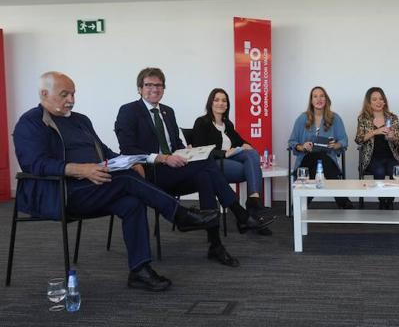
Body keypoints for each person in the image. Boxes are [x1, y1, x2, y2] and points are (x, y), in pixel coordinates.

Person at [13, 72, 220, 292]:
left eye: (73, 94)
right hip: (62, 192)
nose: (71, 100)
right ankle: (181, 216)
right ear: (44, 93)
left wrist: (128, 161)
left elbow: (104, 151)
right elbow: (35, 164)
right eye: (65, 95)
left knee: (131, 201)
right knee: (126, 180)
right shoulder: (31, 123)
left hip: (95, 186)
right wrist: (78, 169)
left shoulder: (80, 120)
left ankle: (139, 270)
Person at [115, 68, 275, 268]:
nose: (154, 89)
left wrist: (186, 152)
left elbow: (175, 145)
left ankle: (215, 244)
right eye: (149, 85)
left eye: (158, 85)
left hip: (174, 170)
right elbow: (128, 149)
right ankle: (240, 215)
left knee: (205, 174)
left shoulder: (167, 111)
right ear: (139, 88)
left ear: (164, 89)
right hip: (149, 172)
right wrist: (162, 158)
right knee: (208, 166)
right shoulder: (128, 111)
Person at [192, 88, 272, 235]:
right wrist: (224, 153)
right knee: (251, 170)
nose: (220, 103)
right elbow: (199, 149)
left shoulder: (227, 124)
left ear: (227, 105)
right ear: (210, 103)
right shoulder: (202, 122)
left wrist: (246, 144)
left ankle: (253, 202)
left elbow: (239, 141)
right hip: (214, 163)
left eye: (224, 100)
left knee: (252, 153)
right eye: (217, 100)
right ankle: (252, 213)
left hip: (231, 160)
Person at [288, 86, 352, 208]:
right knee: (318, 156)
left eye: (322, 96)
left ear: (326, 99)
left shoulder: (335, 118)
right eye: (315, 96)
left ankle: (299, 204)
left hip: (327, 161)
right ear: (311, 100)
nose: (319, 99)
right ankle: (343, 201)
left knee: (321, 157)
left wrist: (336, 145)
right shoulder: (302, 118)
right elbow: (292, 141)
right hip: (306, 160)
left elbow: (344, 140)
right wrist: (303, 147)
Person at [354, 87, 399, 209]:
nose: (378, 102)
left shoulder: (392, 118)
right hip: (372, 157)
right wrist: (375, 132)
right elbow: (359, 139)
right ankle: (382, 201)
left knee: (396, 170)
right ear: (369, 102)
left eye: (381, 99)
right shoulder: (363, 118)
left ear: (384, 101)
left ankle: (390, 200)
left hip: (390, 156)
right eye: (374, 99)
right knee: (379, 171)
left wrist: (393, 137)